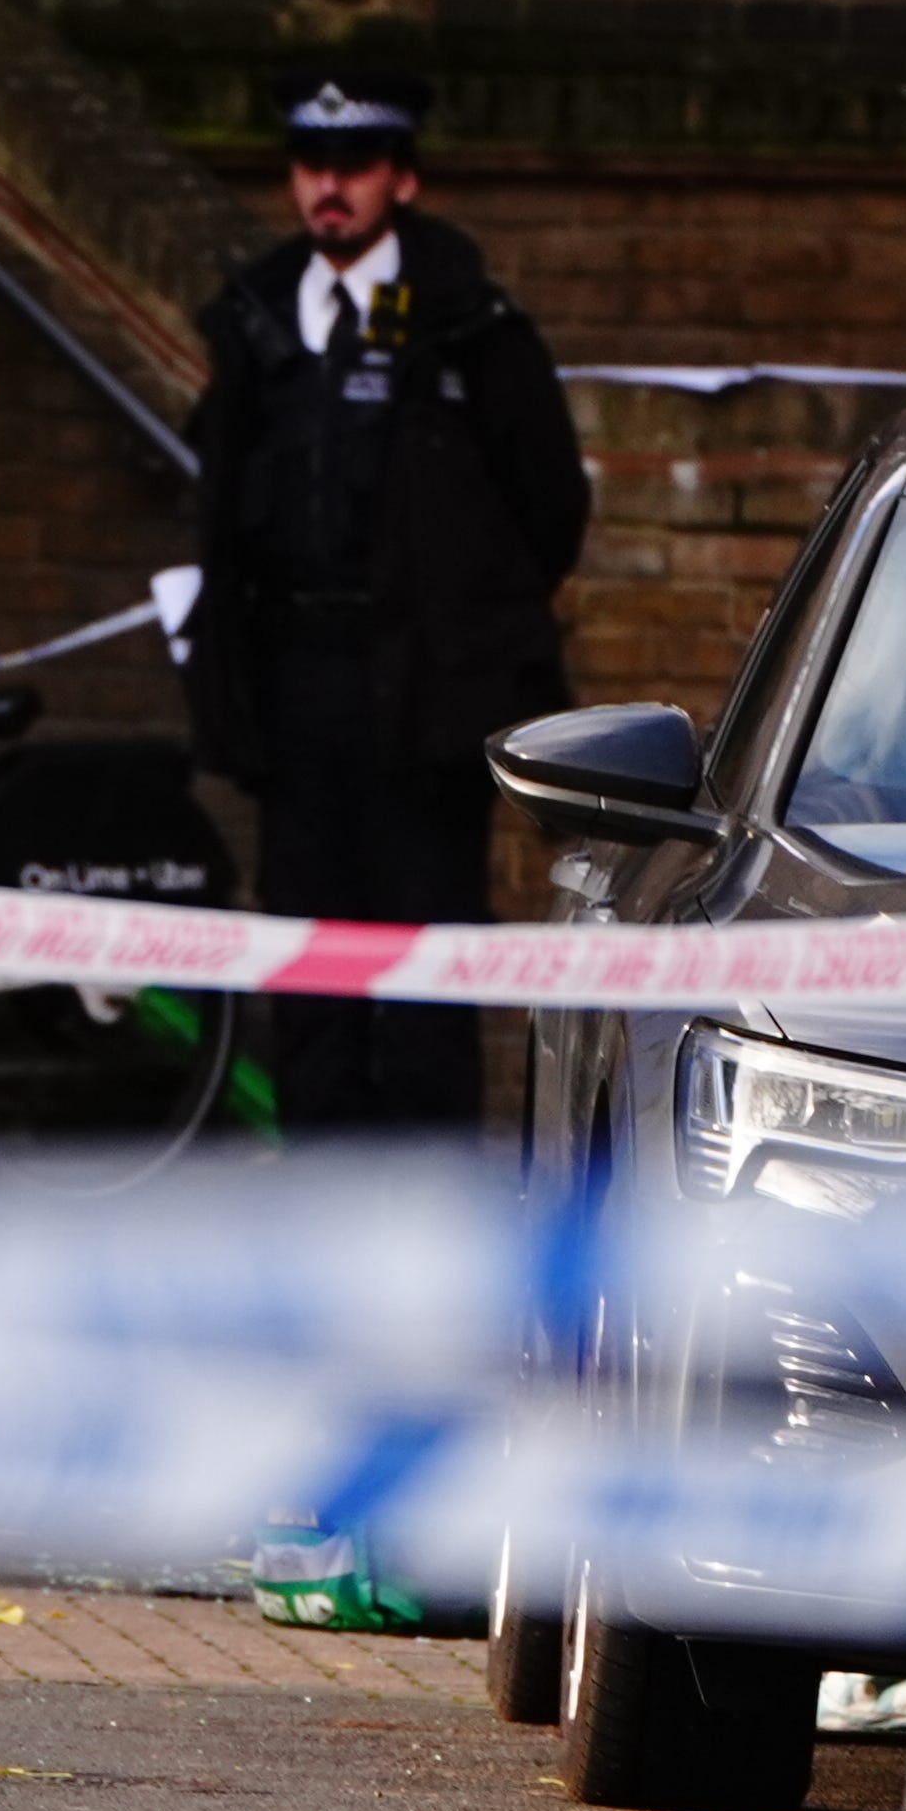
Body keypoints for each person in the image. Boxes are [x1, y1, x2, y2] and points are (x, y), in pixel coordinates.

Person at [178, 72, 590, 1129]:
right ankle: (323, 1211)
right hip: (293, 687)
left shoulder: (469, 326)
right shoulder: (255, 321)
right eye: (311, 166)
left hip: (420, 696)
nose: (327, 187)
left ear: (399, 179)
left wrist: (462, 626)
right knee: (307, 965)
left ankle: (425, 1214)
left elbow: (548, 507)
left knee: (422, 963)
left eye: (352, 168)